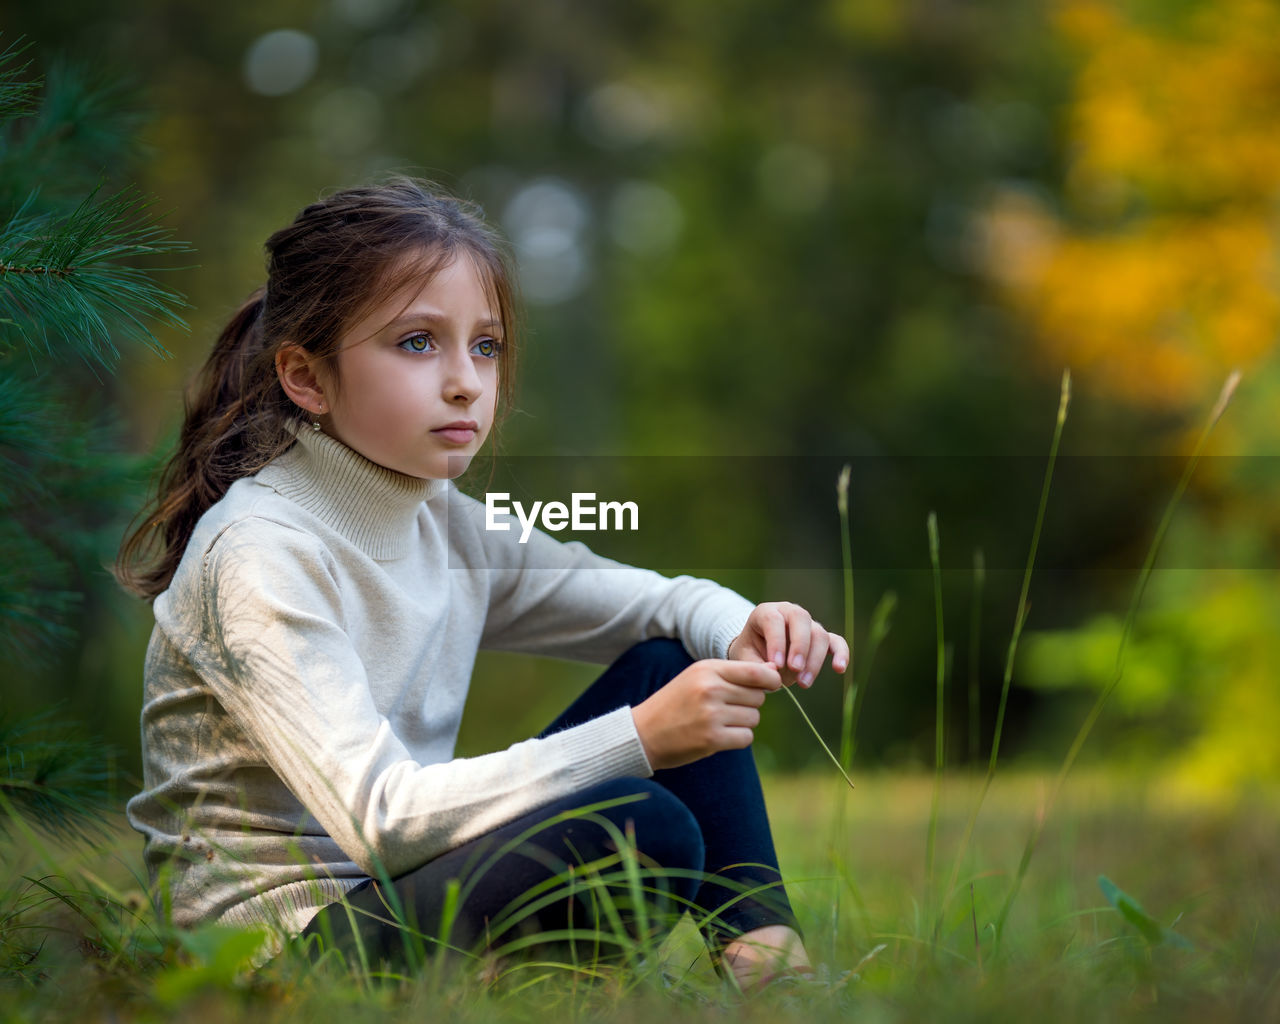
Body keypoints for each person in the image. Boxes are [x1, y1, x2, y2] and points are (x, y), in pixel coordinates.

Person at [116, 176, 849, 993]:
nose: (466, 381)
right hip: (273, 962)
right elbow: (380, 819)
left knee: (674, 660)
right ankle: (501, 985)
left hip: (399, 895)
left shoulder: (443, 520)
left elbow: (652, 604)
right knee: (637, 825)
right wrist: (639, 738)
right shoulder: (257, 554)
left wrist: (745, 623)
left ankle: (773, 975)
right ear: (308, 378)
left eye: (486, 345)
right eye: (418, 343)